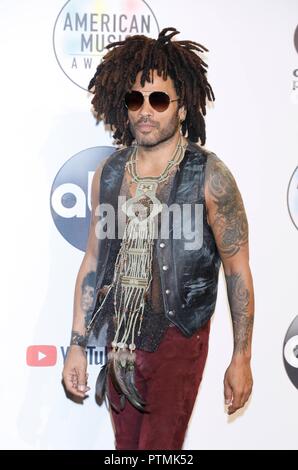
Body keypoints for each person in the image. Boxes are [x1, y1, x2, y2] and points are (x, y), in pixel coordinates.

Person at [62, 27, 255, 450]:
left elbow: (238, 271)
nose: (145, 111)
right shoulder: (110, 174)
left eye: (159, 99)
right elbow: (93, 263)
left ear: (181, 108)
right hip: (121, 335)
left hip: (179, 336)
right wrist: (78, 344)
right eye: (136, 99)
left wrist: (241, 357)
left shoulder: (209, 175)